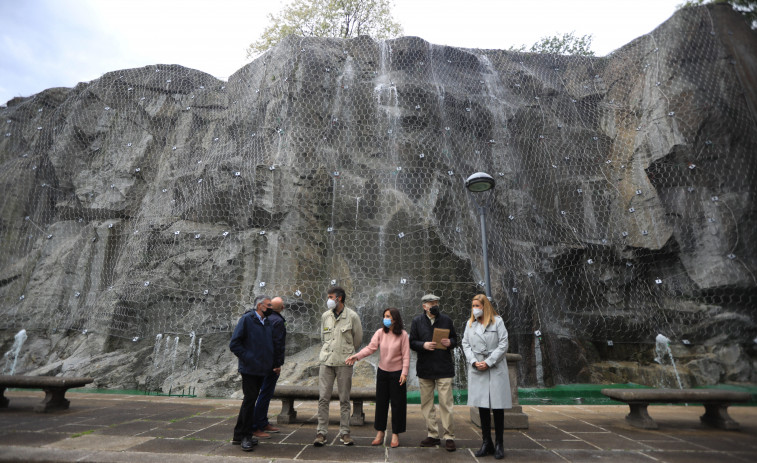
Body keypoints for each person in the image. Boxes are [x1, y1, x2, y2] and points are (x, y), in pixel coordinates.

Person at [346, 307, 410, 448]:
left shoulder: (403, 335)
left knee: (398, 405)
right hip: (383, 372)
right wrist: (357, 356)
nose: (385, 318)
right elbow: (371, 348)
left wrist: (404, 373)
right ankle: (380, 433)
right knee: (381, 403)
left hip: (397, 374)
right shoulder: (380, 333)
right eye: (384, 316)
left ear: (395, 319)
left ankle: (395, 434)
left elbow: (406, 355)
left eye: (388, 316)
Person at [461, 294, 511, 460]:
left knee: (497, 407)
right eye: (473, 305)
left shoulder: (498, 322)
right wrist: (474, 362)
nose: (475, 308)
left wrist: (489, 362)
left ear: (485, 306)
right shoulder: (470, 324)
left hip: (494, 367)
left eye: (477, 305)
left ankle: (499, 444)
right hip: (478, 367)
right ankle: (486, 442)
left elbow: (504, 344)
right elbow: (465, 344)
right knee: (482, 407)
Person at [313, 286, 363, 447]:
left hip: (344, 362)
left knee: (344, 399)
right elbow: (323, 338)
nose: (328, 299)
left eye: (330, 296)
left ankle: (345, 433)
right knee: (323, 398)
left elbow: (358, 339)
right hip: (326, 362)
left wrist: (347, 353)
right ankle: (321, 433)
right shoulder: (325, 316)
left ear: (339, 298)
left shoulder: (352, 316)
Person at [409, 293, 458, 452]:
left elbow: (455, 339)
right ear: (424, 306)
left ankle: (449, 436)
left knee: (446, 403)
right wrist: (423, 345)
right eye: (431, 303)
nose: (434, 305)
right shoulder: (417, 321)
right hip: (425, 368)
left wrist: (449, 342)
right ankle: (433, 435)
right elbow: (412, 343)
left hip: (444, 367)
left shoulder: (447, 320)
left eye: (436, 302)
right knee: (427, 404)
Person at [229, 295, 275, 452]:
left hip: (262, 369)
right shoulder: (247, 319)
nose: (271, 308)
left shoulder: (266, 322)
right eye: (269, 305)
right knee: (250, 401)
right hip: (249, 369)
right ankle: (246, 436)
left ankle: (238, 434)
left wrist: (271, 362)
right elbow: (234, 344)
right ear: (260, 306)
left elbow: (267, 345)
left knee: (250, 400)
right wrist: (249, 358)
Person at [251, 296, 287, 438]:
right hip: (271, 365)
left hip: (263, 362)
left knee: (264, 394)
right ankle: (257, 425)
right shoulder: (277, 321)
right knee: (265, 394)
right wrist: (277, 364)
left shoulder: (267, 319)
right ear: (281, 308)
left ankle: (262, 422)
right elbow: (277, 345)